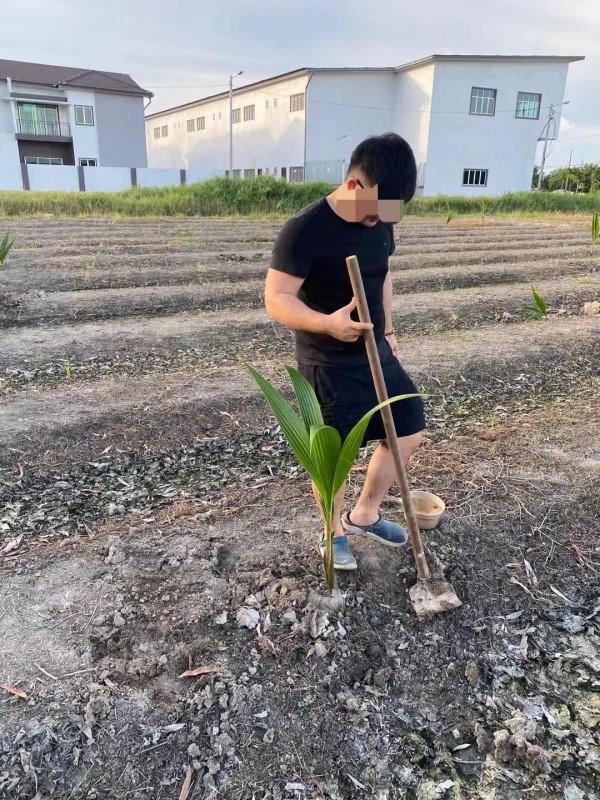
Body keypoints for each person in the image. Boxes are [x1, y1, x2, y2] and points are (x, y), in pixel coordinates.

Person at [264, 133, 426, 571]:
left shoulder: (382, 213)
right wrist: (328, 324)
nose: (380, 220)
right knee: (334, 454)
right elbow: (277, 298)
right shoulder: (305, 230)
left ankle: (365, 513)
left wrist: (389, 329)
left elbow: (383, 273)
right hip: (328, 358)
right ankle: (332, 532)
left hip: (376, 349)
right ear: (355, 185)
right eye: (374, 211)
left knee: (408, 429)